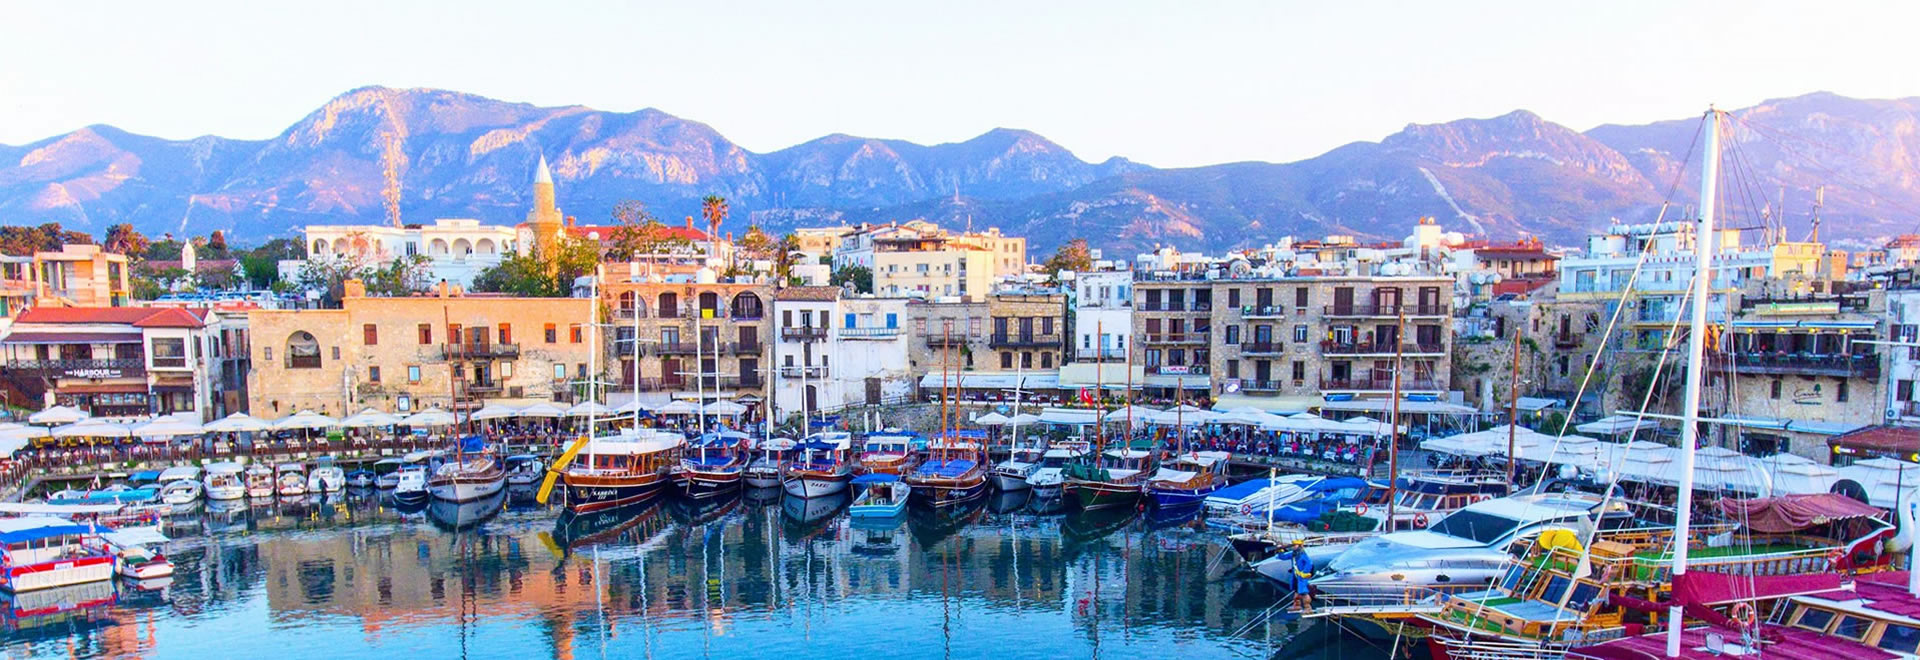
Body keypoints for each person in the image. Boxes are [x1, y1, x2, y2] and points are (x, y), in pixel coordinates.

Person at [1289, 539, 1314, 614]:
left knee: (1304, 592)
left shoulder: (1303, 555)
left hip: (1302, 577)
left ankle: (1308, 608)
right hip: (1296, 576)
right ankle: (1297, 605)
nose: (1293, 547)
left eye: (1295, 545)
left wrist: (1305, 572)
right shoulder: (1293, 554)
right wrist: (1280, 551)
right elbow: (1283, 557)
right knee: (1296, 591)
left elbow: (1309, 563)